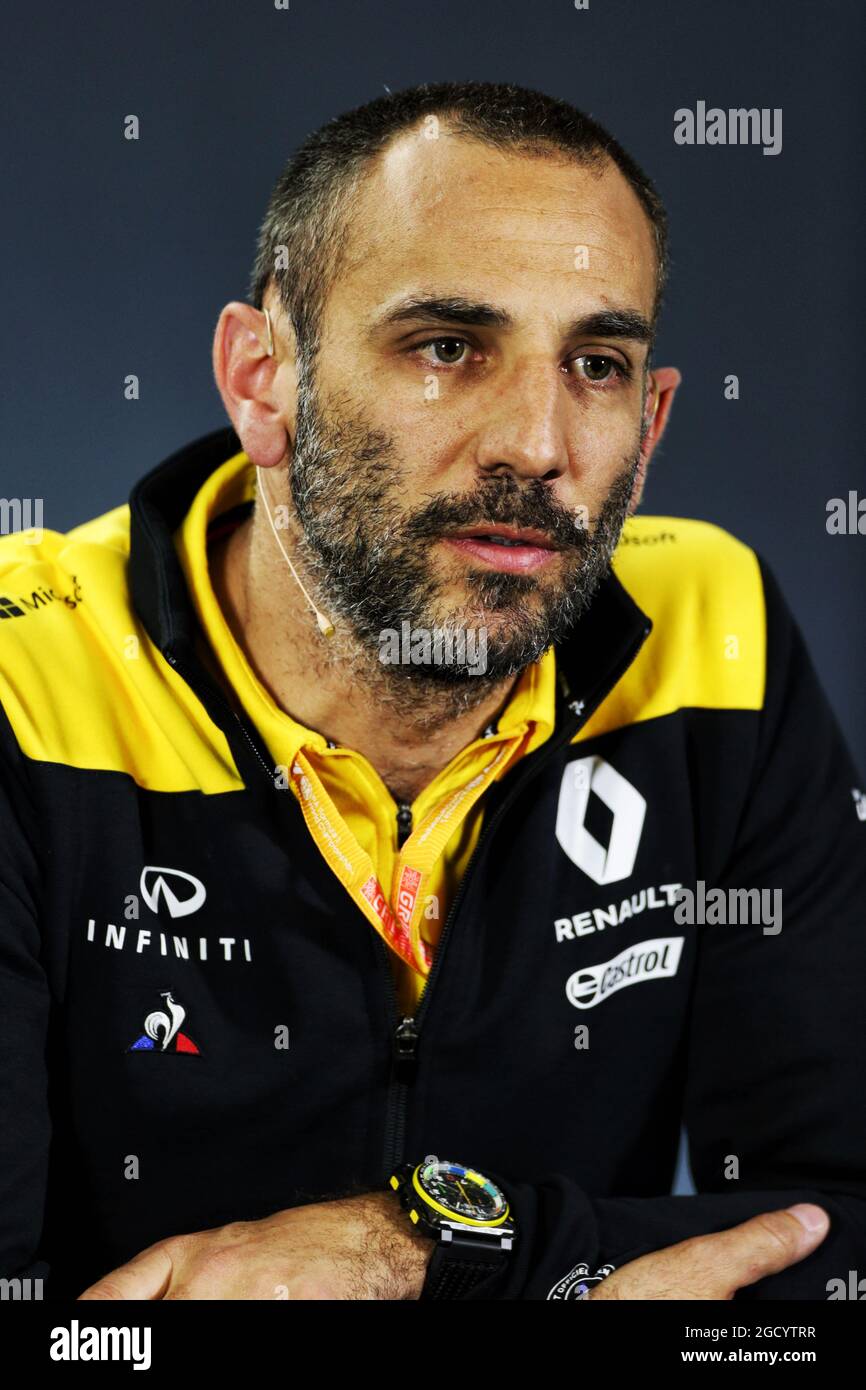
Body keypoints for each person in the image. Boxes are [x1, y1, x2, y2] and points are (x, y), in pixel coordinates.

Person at [1, 81, 864, 1301]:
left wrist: (416, 1252)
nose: (535, 442)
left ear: (653, 421)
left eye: (597, 363)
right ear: (263, 380)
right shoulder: (20, 676)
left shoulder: (713, 631)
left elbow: (829, 1241)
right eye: (447, 347)